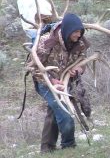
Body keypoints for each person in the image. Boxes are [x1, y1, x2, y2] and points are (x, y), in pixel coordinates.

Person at [27, 13, 90, 153]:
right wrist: (51, 80)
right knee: (64, 113)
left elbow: (82, 61)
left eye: (80, 32)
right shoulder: (46, 42)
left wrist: (78, 70)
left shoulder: (79, 43)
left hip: (64, 81)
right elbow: (32, 67)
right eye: (76, 31)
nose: (78, 35)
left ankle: (46, 150)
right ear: (67, 29)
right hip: (46, 83)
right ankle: (69, 146)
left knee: (54, 112)